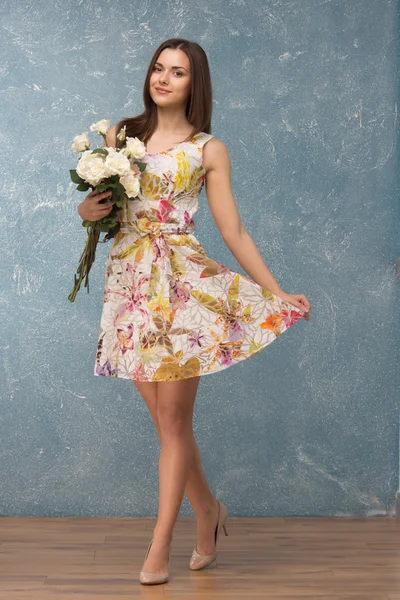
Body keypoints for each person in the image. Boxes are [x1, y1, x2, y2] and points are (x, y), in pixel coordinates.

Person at [77, 38, 311, 585]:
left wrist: (274, 291)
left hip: (183, 285)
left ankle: (160, 543)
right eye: (158, 68)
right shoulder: (120, 137)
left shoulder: (209, 149)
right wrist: (85, 210)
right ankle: (209, 509)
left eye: (177, 72)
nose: (163, 78)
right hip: (131, 286)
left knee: (176, 419)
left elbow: (233, 230)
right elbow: (103, 214)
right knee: (163, 421)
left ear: (193, 84)